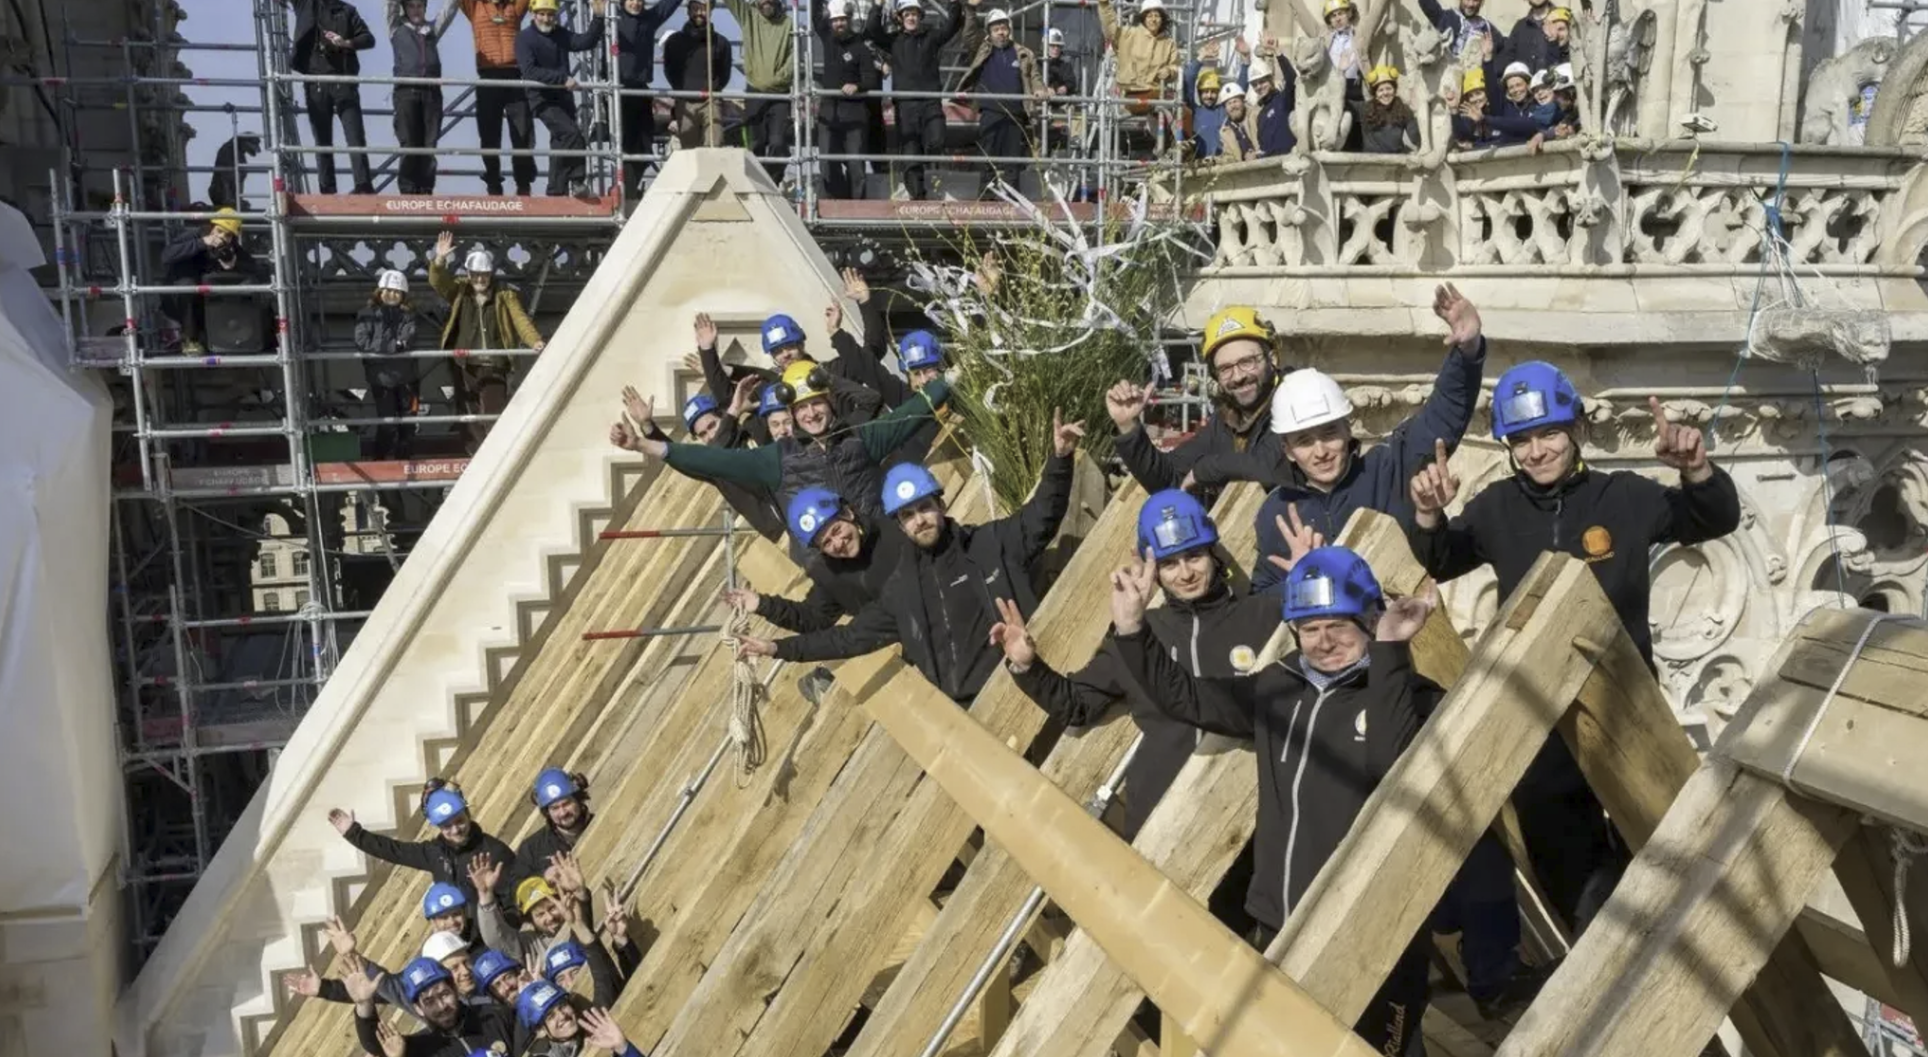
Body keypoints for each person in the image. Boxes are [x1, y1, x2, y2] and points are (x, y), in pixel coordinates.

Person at [1404, 361, 1742, 932]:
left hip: (1627, 708)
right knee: (1567, 865)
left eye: (1549, 434)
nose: (1536, 452)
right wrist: (1428, 513)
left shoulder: (1624, 499)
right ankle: (1596, 950)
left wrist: (1698, 471)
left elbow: (1714, 517)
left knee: (1660, 848)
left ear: (1578, 430)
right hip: (1544, 719)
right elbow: (1440, 559)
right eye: (1523, 440)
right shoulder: (1496, 508)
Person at [1107, 544, 1442, 1055]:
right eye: (1309, 628)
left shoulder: (1411, 696)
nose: (1324, 641)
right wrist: (1133, 632)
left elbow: (1391, 764)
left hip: (1368, 931)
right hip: (1279, 919)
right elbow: (1186, 697)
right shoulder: (1278, 688)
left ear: (1371, 621)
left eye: (1339, 625)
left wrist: (1393, 650)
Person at [992, 490, 1279, 840]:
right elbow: (1077, 704)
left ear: (1213, 554)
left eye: (1194, 556)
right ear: (1155, 571)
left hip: (1243, 810)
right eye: (1170, 563)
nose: (1186, 573)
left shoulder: (1262, 615)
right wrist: (1028, 666)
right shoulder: (1141, 632)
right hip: (1159, 816)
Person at [736, 423, 1080, 701]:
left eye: (924, 508)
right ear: (900, 524)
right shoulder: (901, 590)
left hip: (1027, 682)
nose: (919, 520)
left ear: (941, 506)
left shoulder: (990, 544)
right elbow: (846, 638)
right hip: (966, 707)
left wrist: (1060, 458)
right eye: (908, 516)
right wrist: (776, 646)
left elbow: (1041, 517)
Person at [1184, 283, 1486, 592]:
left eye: (1329, 434)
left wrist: (1467, 351)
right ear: (1287, 449)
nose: (1320, 451)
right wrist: (1301, 579)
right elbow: (1262, 599)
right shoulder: (1278, 511)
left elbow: (1442, 414)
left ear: (1347, 427)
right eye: (1304, 441)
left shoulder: (1388, 469)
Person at [613, 360, 949, 530]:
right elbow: (709, 461)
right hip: (834, 560)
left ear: (830, 403)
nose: (812, 413)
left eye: (817, 403)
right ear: (791, 413)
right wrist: (643, 442)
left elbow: (914, 410)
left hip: (886, 543)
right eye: (802, 408)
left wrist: (954, 377)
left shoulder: (862, 436)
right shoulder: (777, 458)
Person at [1104, 305, 1288, 510]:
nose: (1238, 376)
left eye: (1247, 362)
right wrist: (1128, 426)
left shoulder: (1297, 398)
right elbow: (1169, 480)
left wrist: (1206, 470)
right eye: (1225, 369)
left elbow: (1274, 467)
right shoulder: (1226, 421)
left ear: (1272, 358)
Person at [724, 486, 910, 633]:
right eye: (826, 543)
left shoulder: (897, 529)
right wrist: (762, 605)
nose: (837, 544)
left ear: (847, 513)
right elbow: (812, 618)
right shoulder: (829, 575)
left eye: (836, 530)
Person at [428, 229, 546, 452]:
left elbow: (520, 320)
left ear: (491, 275)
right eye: (475, 274)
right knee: (469, 417)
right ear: (469, 274)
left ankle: (495, 456)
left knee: (494, 415)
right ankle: (476, 457)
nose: (480, 279)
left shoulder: (504, 294)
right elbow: (438, 282)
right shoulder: (461, 291)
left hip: (494, 363)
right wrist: (440, 259)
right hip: (465, 365)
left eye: (484, 275)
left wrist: (534, 342)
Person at [326, 780, 522, 912]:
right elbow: (393, 851)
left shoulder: (494, 852)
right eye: (446, 826)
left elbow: (516, 901)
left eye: (459, 821)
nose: (455, 830)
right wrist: (354, 833)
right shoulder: (435, 853)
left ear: (468, 814)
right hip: (456, 935)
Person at [867, 0, 973, 201]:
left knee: (936, 139)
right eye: (907, 14)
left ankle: (927, 167)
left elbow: (952, 26)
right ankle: (917, 196)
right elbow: (872, 30)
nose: (911, 18)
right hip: (905, 104)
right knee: (910, 153)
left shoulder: (931, 37)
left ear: (920, 17)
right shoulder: (894, 40)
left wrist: (953, 3)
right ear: (900, 18)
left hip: (930, 101)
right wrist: (878, 6)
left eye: (914, 14)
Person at [517, 0, 605, 197]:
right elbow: (530, 71)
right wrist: (562, 78)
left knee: (560, 142)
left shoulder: (560, 34)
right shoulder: (525, 38)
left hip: (563, 99)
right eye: (542, 14)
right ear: (534, 14)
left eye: (550, 14)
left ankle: (556, 191)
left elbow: (584, 42)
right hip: (542, 99)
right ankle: (578, 180)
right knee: (572, 134)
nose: (546, 19)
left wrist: (598, 18)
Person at [288, 0, 376, 194]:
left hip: (343, 80)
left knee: (355, 135)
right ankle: (327, 189)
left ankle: (363, 186)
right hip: (316, 80)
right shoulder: (306, 4)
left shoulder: (347, 10)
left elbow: (368, 39)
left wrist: (346, 43)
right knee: (322, 140)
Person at [346, 954, 516, 1055]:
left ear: (455, 991)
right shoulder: (418, 1048)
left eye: (444, 994)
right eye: (429, 1001)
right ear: (418, 1008)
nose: (441, 1006)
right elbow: (374, 1044)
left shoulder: (495, 1015)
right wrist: (364, 1004)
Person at [458, 0, 538, 195]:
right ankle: (493, 181)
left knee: (523, 132)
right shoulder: (475, 6)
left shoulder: (514, 7)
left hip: (514, 75)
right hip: (488, 76)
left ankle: (523, 183)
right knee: (489, 133)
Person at [160, 207, 259, 354]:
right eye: (219, 231)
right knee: (188, 286)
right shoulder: (193, 236)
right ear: (211, 227)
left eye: (228, 235)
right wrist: (202, 243)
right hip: (180, 301)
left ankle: (225, 339)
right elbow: (166, 256)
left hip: (209, 306)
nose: (222, 238)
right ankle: (189, 339)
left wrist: (233, 262)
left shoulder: (230, 246)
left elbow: (254, 268)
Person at [720, 0, 796, 185]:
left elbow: (794, 58)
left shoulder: (788, 24)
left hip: (780, 95)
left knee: (778, 143)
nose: (765, 2)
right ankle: (757, 185)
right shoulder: (749, 17)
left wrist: (776, 81)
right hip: (754, 93)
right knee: (755, 144)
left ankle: (771, 183)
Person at [812, 0, 882, 199]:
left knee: (855, 163)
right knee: (826, 160)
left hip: (854, 113)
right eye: (835, 20)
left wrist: (857, 86)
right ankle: (834, 200)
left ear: (849, 20)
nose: (838, 24)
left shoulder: (860, 47)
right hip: (829, 111)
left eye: (842, 20)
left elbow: (870, 78)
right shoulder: (827, 39)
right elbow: (816, 14)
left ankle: (857, 205)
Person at [613, 0, 684, 194]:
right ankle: (623, 190)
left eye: (639, 0)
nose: (635, 3)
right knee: (625, 144)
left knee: (644, 145)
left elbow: (667, 6)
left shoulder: (649, 19)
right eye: (631, 0)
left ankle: (628, 188)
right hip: (619, 89)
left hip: (641, 89)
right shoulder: (613, 18)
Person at [354, 269, 421, 459]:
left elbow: (409, 338)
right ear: (380, 291)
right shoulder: (366, 314)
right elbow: (362, 342)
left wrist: (385, 348)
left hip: (408, 379)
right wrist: (394, 346)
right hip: (381, 379)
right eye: (388, 290)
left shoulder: (408, 315)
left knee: (408, 425)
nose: (392, 295)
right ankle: (381, 462)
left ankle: (404, 462)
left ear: (403, 295)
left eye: (397, 292)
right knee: (388, 425)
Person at [387, 0, 447, 194]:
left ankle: (426, 189)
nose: (416, 10)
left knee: (429, 144)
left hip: (431, 93)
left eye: (419, 6)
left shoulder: (432, 29)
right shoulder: (395, 26)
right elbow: (390, 4)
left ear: (425, 8)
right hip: (406, 92)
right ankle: (407, 190)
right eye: (411, 6)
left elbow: (450, 10)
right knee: (409, 142)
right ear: (405, 8)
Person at [663, 0, 732, 150]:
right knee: (689, 149)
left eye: (704, 9)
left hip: (711, 100)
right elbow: (669, 70)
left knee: (715, 144)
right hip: (685, 102)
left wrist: (713, 88)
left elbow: (725, 72)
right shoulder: (674, 42)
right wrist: (682, 90)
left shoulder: (721, 42)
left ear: (711, 11)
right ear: (688, 11)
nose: (699, 13)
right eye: (695, 8)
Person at [1097, 0, 1179, 121]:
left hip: (1156, 93)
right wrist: (1104, 5)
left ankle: (1178, 139)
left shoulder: (1169, 43)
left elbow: (1175, 67)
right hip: (1132, 93)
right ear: (1143, 18)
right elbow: (1111, 30)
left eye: (1157, 16)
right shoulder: (1129, 35)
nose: (1153, 19)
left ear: (1162, 19)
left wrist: (1169, 71)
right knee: (1165, 105)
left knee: (1184, 113)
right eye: (1149, 16)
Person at [516, 767, 596, 881]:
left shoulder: (603, 823)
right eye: (555, 808)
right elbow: (517, 886)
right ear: (547, 812)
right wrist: (543, 876)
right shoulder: (531, 849)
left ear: (578, 800)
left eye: (567, 804)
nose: (563, 813)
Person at [1246, 41, 1296, 155]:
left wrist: (1277, 52)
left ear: (1270, 80)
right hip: (1270, 168)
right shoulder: (1260, 114)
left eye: (1262, 82)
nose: (1259, 87)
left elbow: (1292, 79)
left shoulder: (1284, 99)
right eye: (1255, 84)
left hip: (1288, 162)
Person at [1360, 64, 1419, 154]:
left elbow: (1415, 137)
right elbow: (1344, 106)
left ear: (1394, 91)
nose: (1385, 93)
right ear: (1375, 94)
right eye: (1381, 90)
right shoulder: (1364, 108)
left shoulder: (1404, 109)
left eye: (1389, 89)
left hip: (1395, 159)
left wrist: (1417, 112)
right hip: (1371, 161)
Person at [1212, 83, 1259, 162]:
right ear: (1225, 108)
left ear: (1243, 101)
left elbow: (1268, 142)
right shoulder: (1225, 131)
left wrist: (1257, 154)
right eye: (1229, 103)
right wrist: (1216, 161)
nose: (1233, 106)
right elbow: (1230, 156)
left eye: (1235, 101)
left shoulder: (1257, 116)